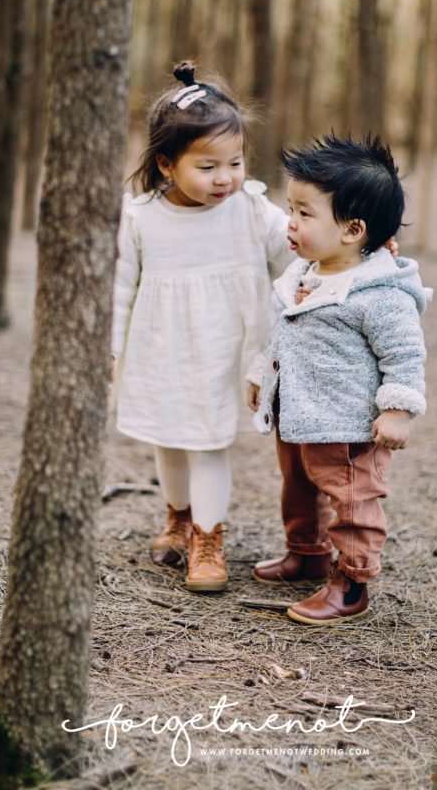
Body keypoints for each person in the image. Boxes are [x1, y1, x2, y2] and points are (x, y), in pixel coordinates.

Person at [110, 62, 292, 593]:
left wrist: (358, 247)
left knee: (210, 441)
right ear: (166, 163)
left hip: (227, 348)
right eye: (208, 165)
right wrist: (109, 350)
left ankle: (210, 539)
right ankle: (179, 519)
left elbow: (298, 248)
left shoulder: (252, 210)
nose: (225, 178)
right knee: (169, 439)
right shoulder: (141, 217)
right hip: (162, 346)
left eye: (234, 162)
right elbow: (119, 287)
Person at [248, 134, 430, 625]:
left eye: (305, 213)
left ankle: (352, 581)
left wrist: (397, 409)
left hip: (349, 425)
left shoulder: (380, 293)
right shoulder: (306, 272)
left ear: (352, 230)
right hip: (300, 411)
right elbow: (283, 330)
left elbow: (405, 354)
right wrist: (260, 374)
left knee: (351, 499)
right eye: (291, 208)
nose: (291, 221)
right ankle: (306, 551)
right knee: (299, 485)